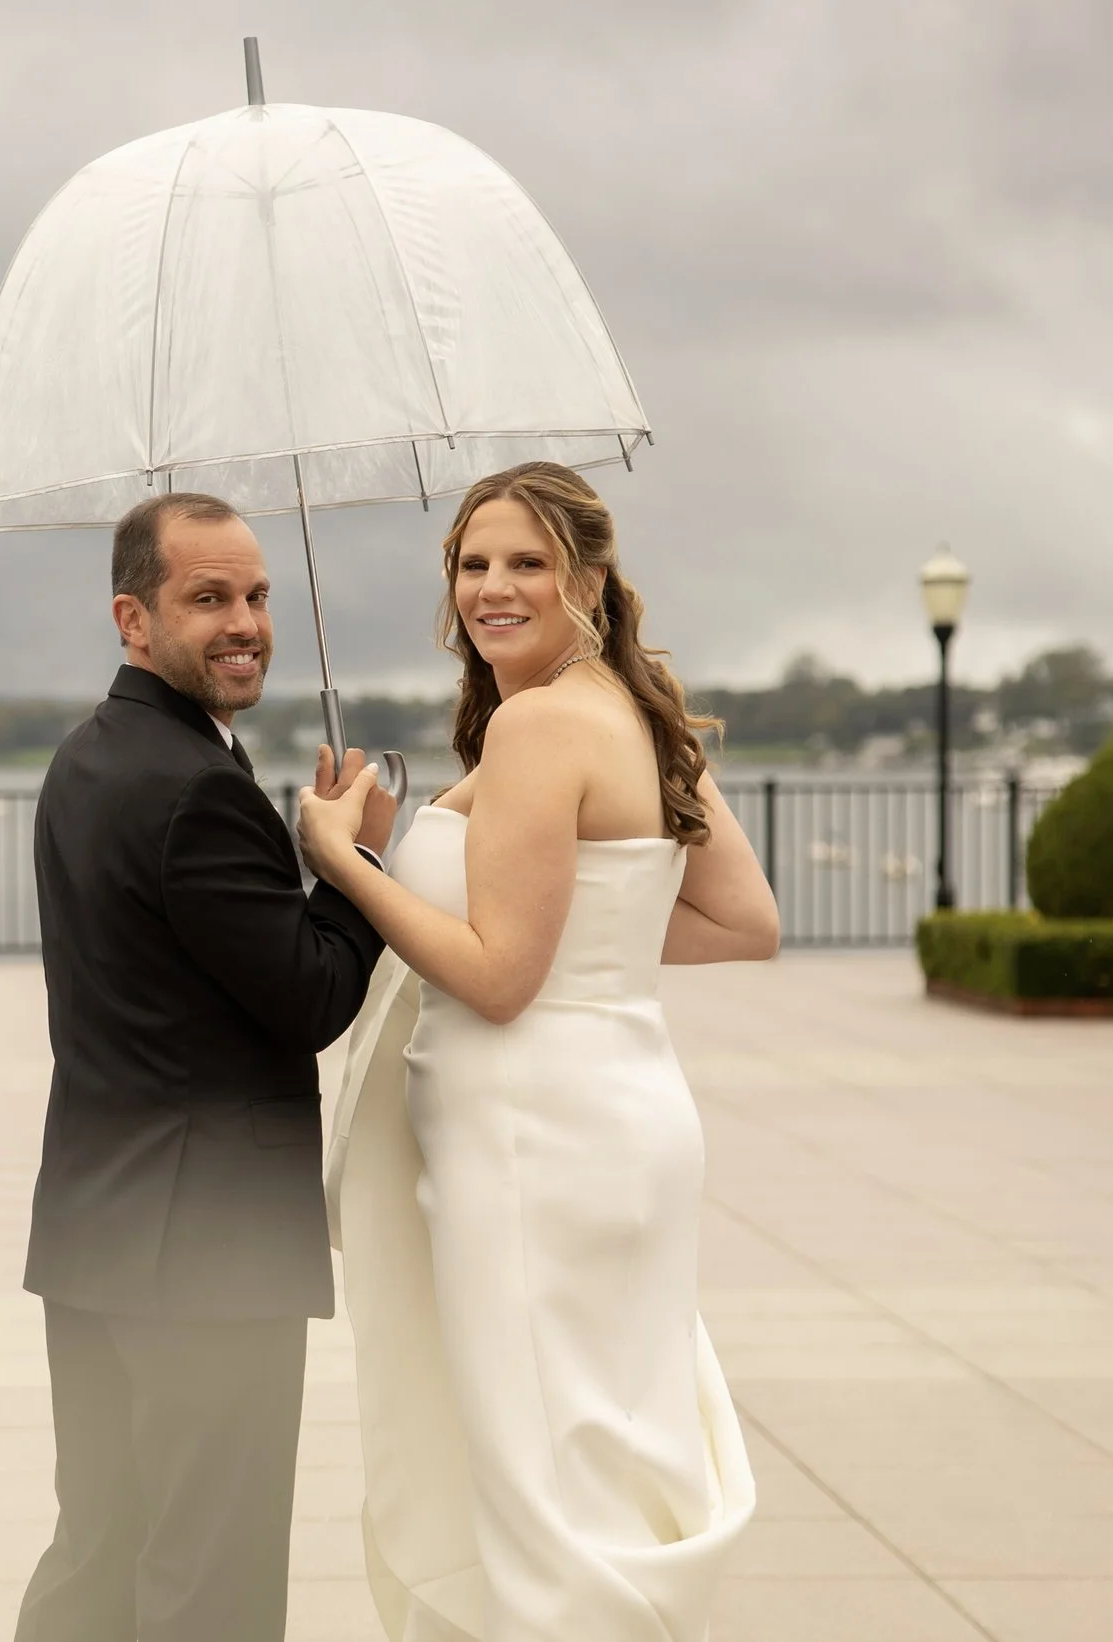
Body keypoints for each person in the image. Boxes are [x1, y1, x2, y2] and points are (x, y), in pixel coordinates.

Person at [302, 461, 780, 1642]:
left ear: (591, 578)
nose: (493, 588)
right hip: (624, 1124)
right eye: (473, 563)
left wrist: (344, 864)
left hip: (528, 1141)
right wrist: (571, 930)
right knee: (597, 1447)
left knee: (535, 1472)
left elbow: (500, 977)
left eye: (527, 563)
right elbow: (740, 919)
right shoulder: (635, 705)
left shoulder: (536, 724)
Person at [18, 491, 396, 1642]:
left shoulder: (87, 759)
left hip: (96, 1231)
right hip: (208, 1251)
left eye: (257, 594)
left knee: (101, 1548)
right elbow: (313, 997)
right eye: (208, 598)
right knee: (210, 1579)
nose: (244, 622)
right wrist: (353, 861)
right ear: (134, 618)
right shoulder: (195, 788)